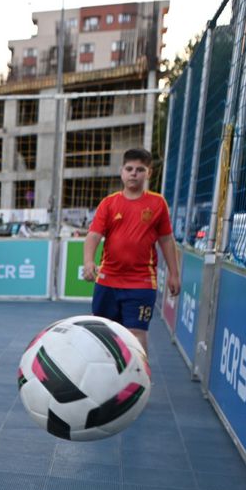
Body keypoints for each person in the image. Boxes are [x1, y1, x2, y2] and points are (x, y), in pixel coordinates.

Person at [81, 147, 181, 353]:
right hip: (108, 280)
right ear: (122, 172)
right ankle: (105, 379)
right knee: (104, 333)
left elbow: (166, 240)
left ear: (148, 173)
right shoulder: (108, 203)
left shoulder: (157, 203)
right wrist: (89, 261)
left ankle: (139, 381)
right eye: (129, 168)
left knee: (136, 334)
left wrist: (174, 273)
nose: (134, 173)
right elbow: (93, 235)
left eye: (140, 169)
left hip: (141, 282)